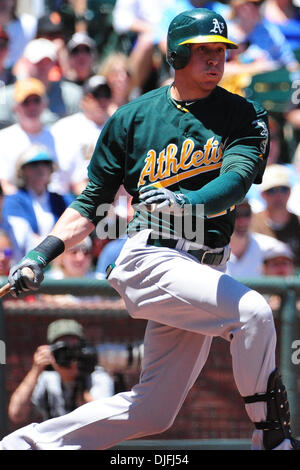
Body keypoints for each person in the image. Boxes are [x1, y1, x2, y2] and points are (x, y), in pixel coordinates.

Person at [1, 7, 299, 451]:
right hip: (151, 255)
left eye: (220, 50)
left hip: (204, 267)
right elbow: (90, 204)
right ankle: (272, 440)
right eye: (201, 51)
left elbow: (234, 184)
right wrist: (41, 254)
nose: (215, 59)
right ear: (176, 55)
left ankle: (24, 447)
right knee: (253, 313)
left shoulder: (245, 115)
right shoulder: (132, 118)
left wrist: (186, 201)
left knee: (152, 411)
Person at [8, 319, 114, 424]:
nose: (68, 354)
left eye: (73, 347)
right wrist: (36, 370)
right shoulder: (47, 378)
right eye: (62, 348)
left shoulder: (97, 377)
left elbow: (104, 421)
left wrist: (79, 387)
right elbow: (17, 414)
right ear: (51, 352)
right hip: (53, 439)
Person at [50, 74, 113, 196]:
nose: (103, 101)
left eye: (107, 95)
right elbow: (76, 181)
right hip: (64, 195)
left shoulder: (116, 128)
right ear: (83, 100)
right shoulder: (65, 127)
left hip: (104, 196)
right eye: (97, 96)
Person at [0, 38, 82, 128]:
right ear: (25, 62)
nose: (42, 67)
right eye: (37, 62)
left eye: (47, 62)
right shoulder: (5, 96)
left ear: (54, 63)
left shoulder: (72, 94)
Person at [2, 145, 69, 256]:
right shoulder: (14, 200)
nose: (40, 168)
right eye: (34, 165)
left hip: (60, 262)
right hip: (27, 260)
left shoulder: (62, 199)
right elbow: (20, 238)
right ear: (23, 171)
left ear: (51, 169)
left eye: (45, 164)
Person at [0, 77, 57, 195]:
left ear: (45, 104)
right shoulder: (4, 139)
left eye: (36, 101)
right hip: (19, 203)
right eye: (26, 102)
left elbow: (60, 181)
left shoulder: (56, 137)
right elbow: (5, 184)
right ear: (15, 107)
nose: (32, 107)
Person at [251, 163, 300, 268]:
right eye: (271, 190)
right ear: (262, 194)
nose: (278, 196)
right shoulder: (250, 223)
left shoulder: (298, 223)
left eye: (283, 189)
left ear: (290, 192)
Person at [226, 198, 290, 278]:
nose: (242, 220)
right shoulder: (213, 248)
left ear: (252, 216)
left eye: (246, 214)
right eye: (236, 214)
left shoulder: (271, 247)